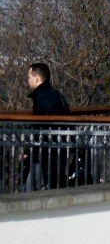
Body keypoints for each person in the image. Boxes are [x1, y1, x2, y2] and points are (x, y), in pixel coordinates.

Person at [23, 62, 70, 191]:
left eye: (29, 77)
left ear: (37, 78)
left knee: (34, 188)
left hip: (46, 152)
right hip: (52, 150)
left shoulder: (43, 97)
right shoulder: (53, 94)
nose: (28, 80)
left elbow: (46, 123)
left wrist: (30, 149)